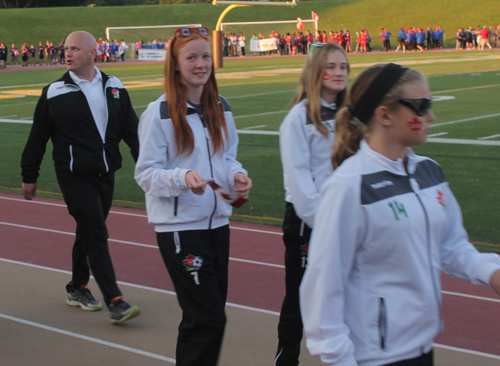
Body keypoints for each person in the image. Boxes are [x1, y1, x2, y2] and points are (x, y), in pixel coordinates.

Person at [300, 62, 500, 366]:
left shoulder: (429, 171)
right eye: (420, 107)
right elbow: (323, 284)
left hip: (422, 348)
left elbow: (452, 246)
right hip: (374, 358)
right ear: (384, 115)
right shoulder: (348, 187)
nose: (430, 116)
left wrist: (492, 272)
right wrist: (339, 359)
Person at [134, 26, 252, 366]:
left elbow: (226, 158)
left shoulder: (221, 106)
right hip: (180, 229)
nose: (201, 64)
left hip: (217, 227)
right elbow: (145, 174)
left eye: (205, 56)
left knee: (203, 318)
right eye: (191, 57)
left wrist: (236, 176)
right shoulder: (159, 113)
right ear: (175, 64)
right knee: (208, 319)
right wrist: (183, 178)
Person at [21, 31, 141, 325]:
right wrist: (29, 174)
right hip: (73, 176)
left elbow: (132, 131)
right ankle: (115, 300)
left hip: (106, 173)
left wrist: (148, 167)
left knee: (87, 232)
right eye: (65, 48)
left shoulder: (114, 86)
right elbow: (38, 136)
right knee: (97, 233)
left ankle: (77, 287)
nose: (67, 53)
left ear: (92, 52)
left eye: (74, 48)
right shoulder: (55, 91)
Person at [275, 43, 349, 366]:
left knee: (346, 297)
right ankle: (286, 359)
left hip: (346, 219)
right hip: (310, 222)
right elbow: (299, 182)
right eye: (330, 66)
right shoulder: (299, 118)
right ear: (315, 72)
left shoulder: (352, 115)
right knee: (301, 299)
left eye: (344, 67)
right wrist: (326, 222)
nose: (338, 72)